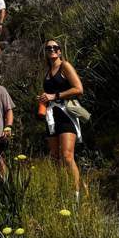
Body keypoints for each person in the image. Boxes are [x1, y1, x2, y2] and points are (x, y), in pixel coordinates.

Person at [37, 39, 83, 197]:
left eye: (55, 47)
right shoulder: (48, 72)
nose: (52, 50)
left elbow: (78, 89)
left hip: (65, 113)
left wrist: (54, 95)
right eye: (48, 48)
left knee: (67, 156)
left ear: (60, 51)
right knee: (56, 157)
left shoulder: (65, 66)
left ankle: (77, 194)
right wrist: (44, 98)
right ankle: (64, 191)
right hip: (51, 116)